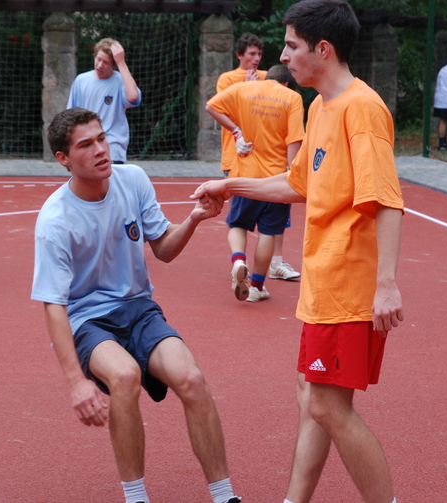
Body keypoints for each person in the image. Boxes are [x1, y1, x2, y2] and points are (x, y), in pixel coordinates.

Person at [193, 1, 405, 501]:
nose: (284, 56)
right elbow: (297, 182)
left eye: (291, 45)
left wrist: (386, 285)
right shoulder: (320, 107)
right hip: (323, 283)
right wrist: (230, 185)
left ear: (322, 49)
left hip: (348, 285)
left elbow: (387, 200)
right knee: (311, 396)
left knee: (328, 407)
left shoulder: (362, 108)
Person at [31, 108, 241, 503]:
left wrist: (194, 219)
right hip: (86, 319)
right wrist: (77, 382)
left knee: (192, 379)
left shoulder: (133, 180)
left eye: (101, 139)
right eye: (86, 145)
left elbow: (163, 249)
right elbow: (54, 305)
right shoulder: (55, 221)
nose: (100, 149)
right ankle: (136, 497)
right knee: (125, 376)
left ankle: (225, 495)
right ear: (63, 159)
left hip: (138, 309)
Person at [206, 64, 305, 302]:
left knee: (237, 225)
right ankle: (257, 287)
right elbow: (294, 140)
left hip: (245, 176)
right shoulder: (292, 98)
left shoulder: (243, 89)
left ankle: (238, 260)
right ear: (287, 83)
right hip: (275, 180)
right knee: (268, 232)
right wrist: (293, 173)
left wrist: (236, 132)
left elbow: (211, 106)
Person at [67, 38, 141, 163]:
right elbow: (70, 115)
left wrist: (121, 63)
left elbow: (133, 97)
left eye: (106, 62)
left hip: (112, 146)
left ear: (113, 65)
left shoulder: (121, 81)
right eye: (98, 59)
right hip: (87, 145)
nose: (100, 65)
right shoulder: (81, 81)